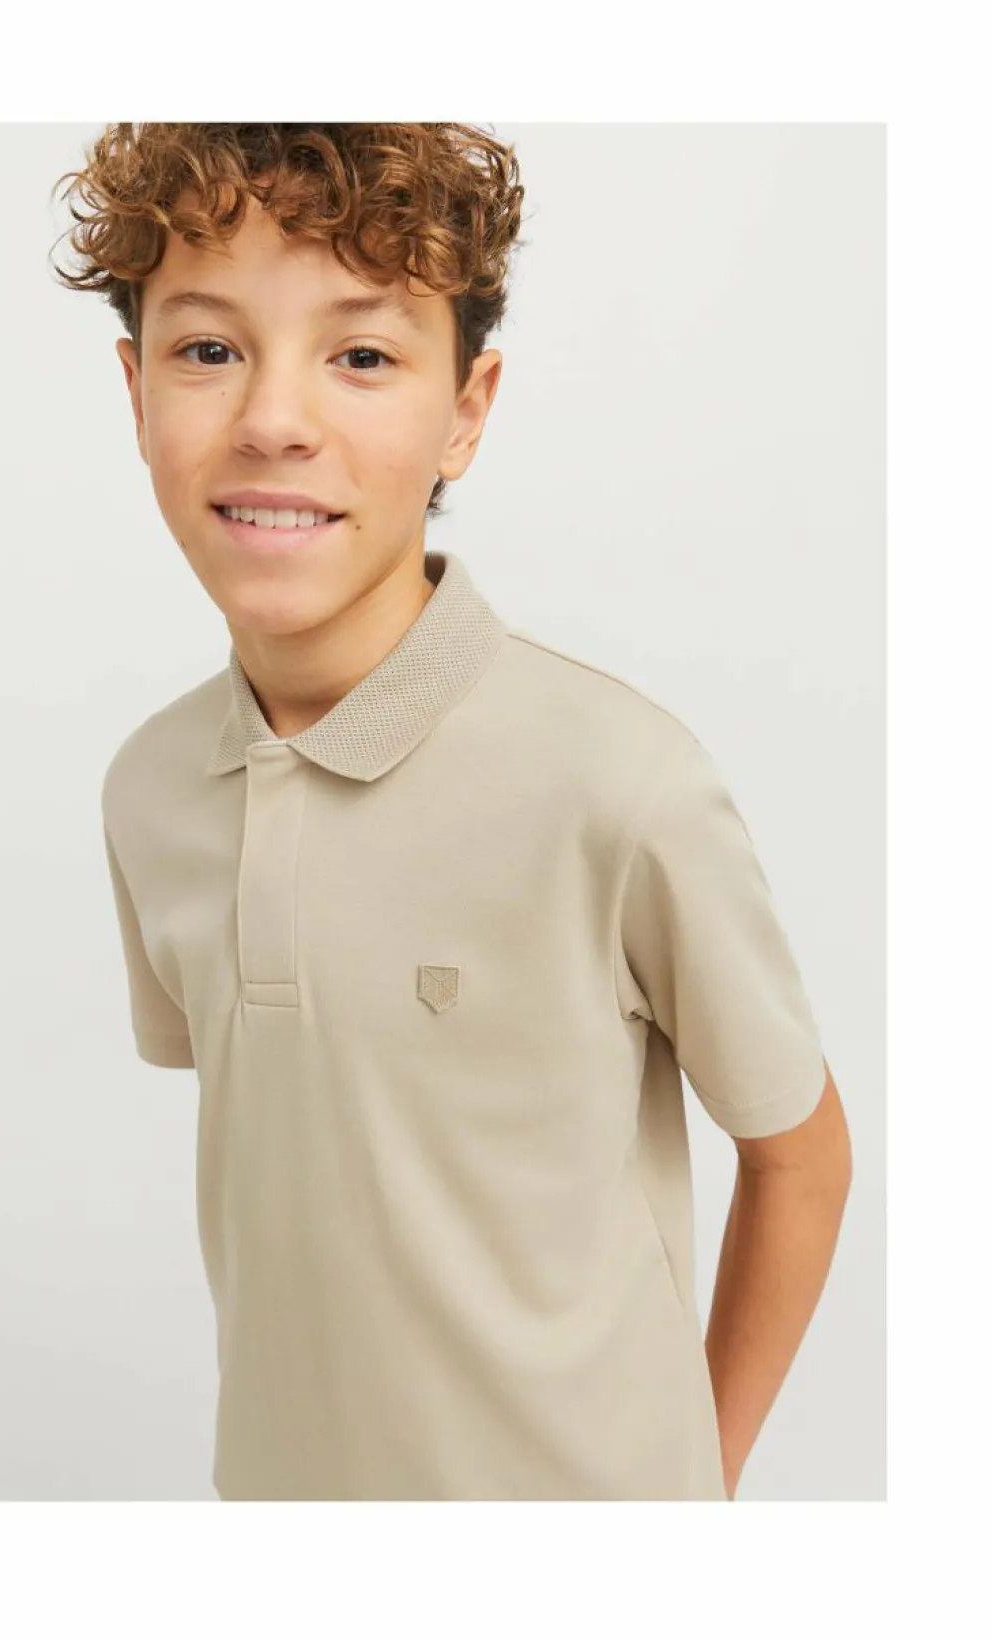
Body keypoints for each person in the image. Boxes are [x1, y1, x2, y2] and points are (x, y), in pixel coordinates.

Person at [51, 122, 853, 1501]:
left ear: (466, 411)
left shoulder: (619, 781)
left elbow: (801, 1157)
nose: (275, 419)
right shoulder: (153, 787)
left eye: (362, 355)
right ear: (135, 394)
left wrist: (690, 1492)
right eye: (210, 348)